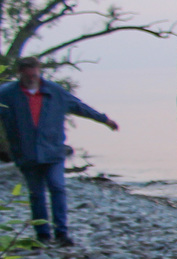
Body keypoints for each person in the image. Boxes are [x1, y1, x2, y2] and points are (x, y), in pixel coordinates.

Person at [0, 55, 118, 245]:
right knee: (36, 194)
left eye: (34, 74)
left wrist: (104, 120)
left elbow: (79, 106)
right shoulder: (7, 94)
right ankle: (43, 235)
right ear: (20, 73)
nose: (31, 78)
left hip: (53, 151)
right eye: (27, 75)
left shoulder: (54, 92)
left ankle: (62, 233)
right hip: (26, 153)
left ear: (38, 71)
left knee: (57, 187)